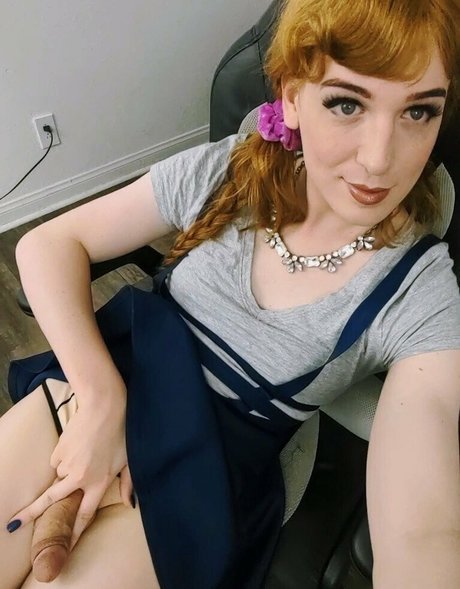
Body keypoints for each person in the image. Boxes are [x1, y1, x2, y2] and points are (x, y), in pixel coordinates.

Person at [2, 0, 460, 587]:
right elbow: (46, 244)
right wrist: (101, 399)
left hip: (207, 468)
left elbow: (423, 534)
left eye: (419, 111)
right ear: (292, 97)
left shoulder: (421, 292)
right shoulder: (231, 172)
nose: (378, 160)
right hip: (108, 381)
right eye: (347, 103)